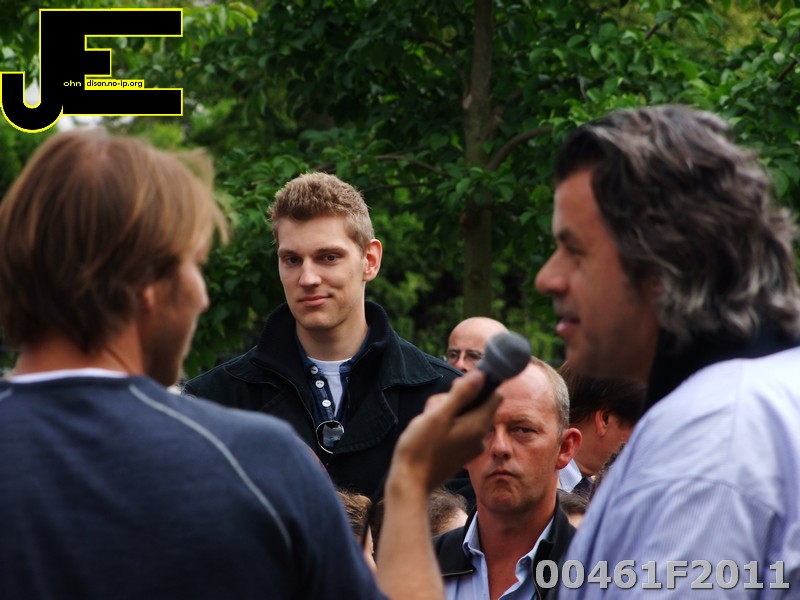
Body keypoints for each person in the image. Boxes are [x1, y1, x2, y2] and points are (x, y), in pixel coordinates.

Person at [0, 129, 501, 599]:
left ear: (369, 259)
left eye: (328, 257)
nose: (201, 297)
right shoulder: (247, 450)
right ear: (147, 285)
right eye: (193, 266)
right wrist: (410, 485)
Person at [535, 104, 800, 596]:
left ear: (665, 261)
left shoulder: (713, 440)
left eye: (575, 251)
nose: (546, 277)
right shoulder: (756, 400)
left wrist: (410, 482)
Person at [185, 172, 460, 498]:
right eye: (292, 260)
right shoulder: (213, 403)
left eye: (328, 257)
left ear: (370, 261)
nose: (308, 278)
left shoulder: (445, 396)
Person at [433, 358, 581, 600]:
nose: (500, 447)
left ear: (565, 448)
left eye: (522, 430)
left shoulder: (602, 578)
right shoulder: (420, 567)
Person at [556, 362, 644, 497]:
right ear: (605, 419)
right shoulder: (536, 486)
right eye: (640, 428)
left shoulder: (598, 491)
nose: (643, 441)